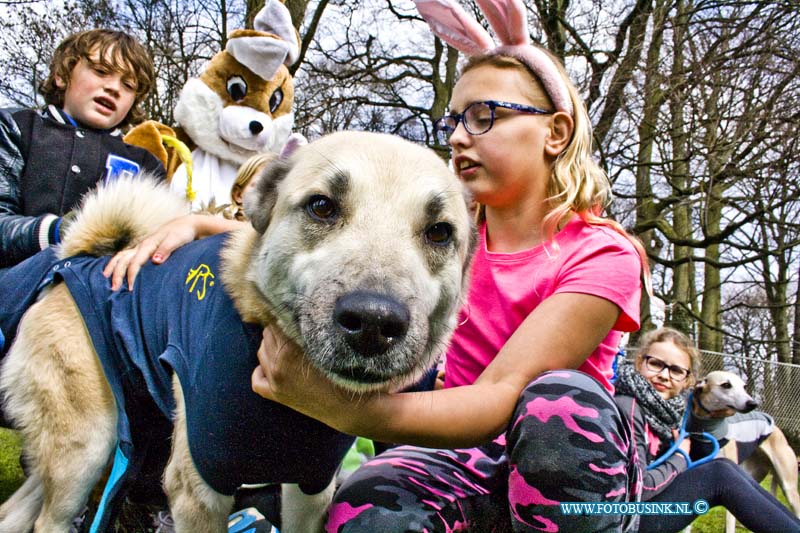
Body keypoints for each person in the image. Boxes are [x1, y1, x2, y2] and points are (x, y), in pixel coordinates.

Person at [0, 28, 165, 269]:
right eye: (101, 71)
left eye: (129, 85)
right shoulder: (16, 127)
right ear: (62, 75)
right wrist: (58, 231)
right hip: (16, 288)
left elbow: (157, 245)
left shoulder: (146, 164)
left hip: (106, 293)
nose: (114, 88)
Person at [614, 327, 800, 532]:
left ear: (687, 380)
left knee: (725, 468)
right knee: (720, 473)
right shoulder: (628, 407)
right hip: (620, 521)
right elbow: (639, 489)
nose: (665, 376)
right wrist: (680, 457)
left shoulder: (667, 410)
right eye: (656, 364)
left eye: (676, 370)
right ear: (640, 362)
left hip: (636, 512)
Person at [224, 152, 276, 221]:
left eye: (275, 189)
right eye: (259, 186)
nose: (268, 194)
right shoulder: (218, 226)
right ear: (238, 195)